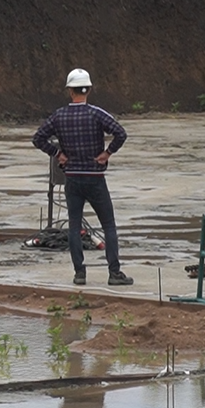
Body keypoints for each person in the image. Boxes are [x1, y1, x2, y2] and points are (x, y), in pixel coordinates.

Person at [32, 68, 134, 286]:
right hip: (95, 178)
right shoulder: (96, 114)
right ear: (88, 90)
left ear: (70, 91)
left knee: (74, 225)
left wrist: (58, 154)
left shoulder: (59, 116)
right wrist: (107, 153)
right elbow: (121, 133)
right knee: (108, 225)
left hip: (72, 178)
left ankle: (80, 273)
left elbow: (38, 138)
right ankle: (114, 273)